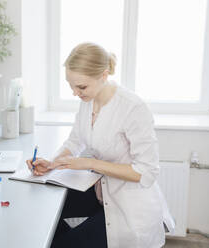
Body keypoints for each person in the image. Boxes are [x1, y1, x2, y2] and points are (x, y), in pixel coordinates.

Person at [26, 43, 174, 248]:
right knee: (46, 217)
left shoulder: (133, 107)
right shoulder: (88, 100)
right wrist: (52, 162)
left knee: (61, 243)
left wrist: (88, 163)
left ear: (104, 75)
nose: (75, 93)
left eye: (81, 87)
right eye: (71, 85)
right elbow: (75, 141)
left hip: (130, 207)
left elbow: (146, 171)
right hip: (101, 192)